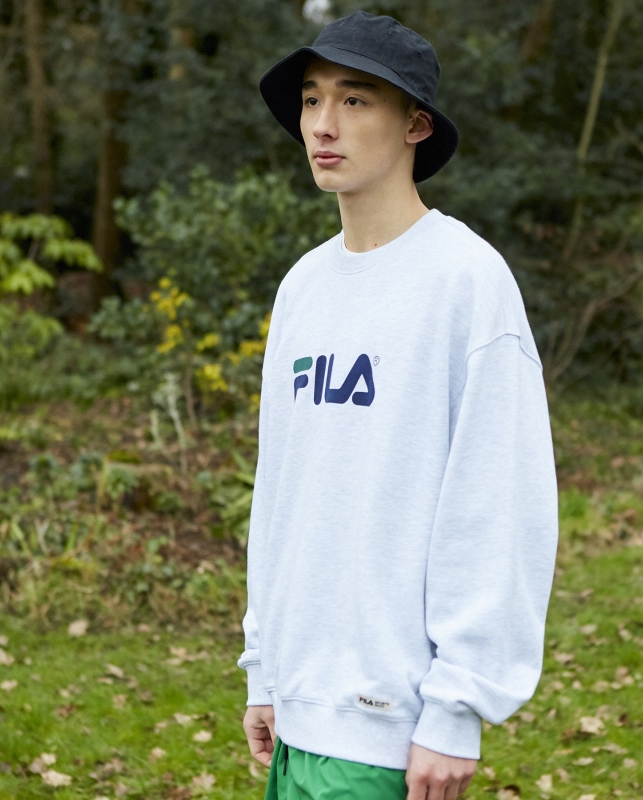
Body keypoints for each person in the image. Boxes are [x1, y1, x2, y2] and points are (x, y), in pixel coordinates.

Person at [238, 10, 559, 800]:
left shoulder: (466, 281)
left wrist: (457, 706)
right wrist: (265, 669)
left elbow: (498, 504)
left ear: (416, 125)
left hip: (392, 727)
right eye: (311, 99)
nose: (323, 124)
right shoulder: (303, 286)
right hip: (298, 715)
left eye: (354, 100)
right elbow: (280, 493)